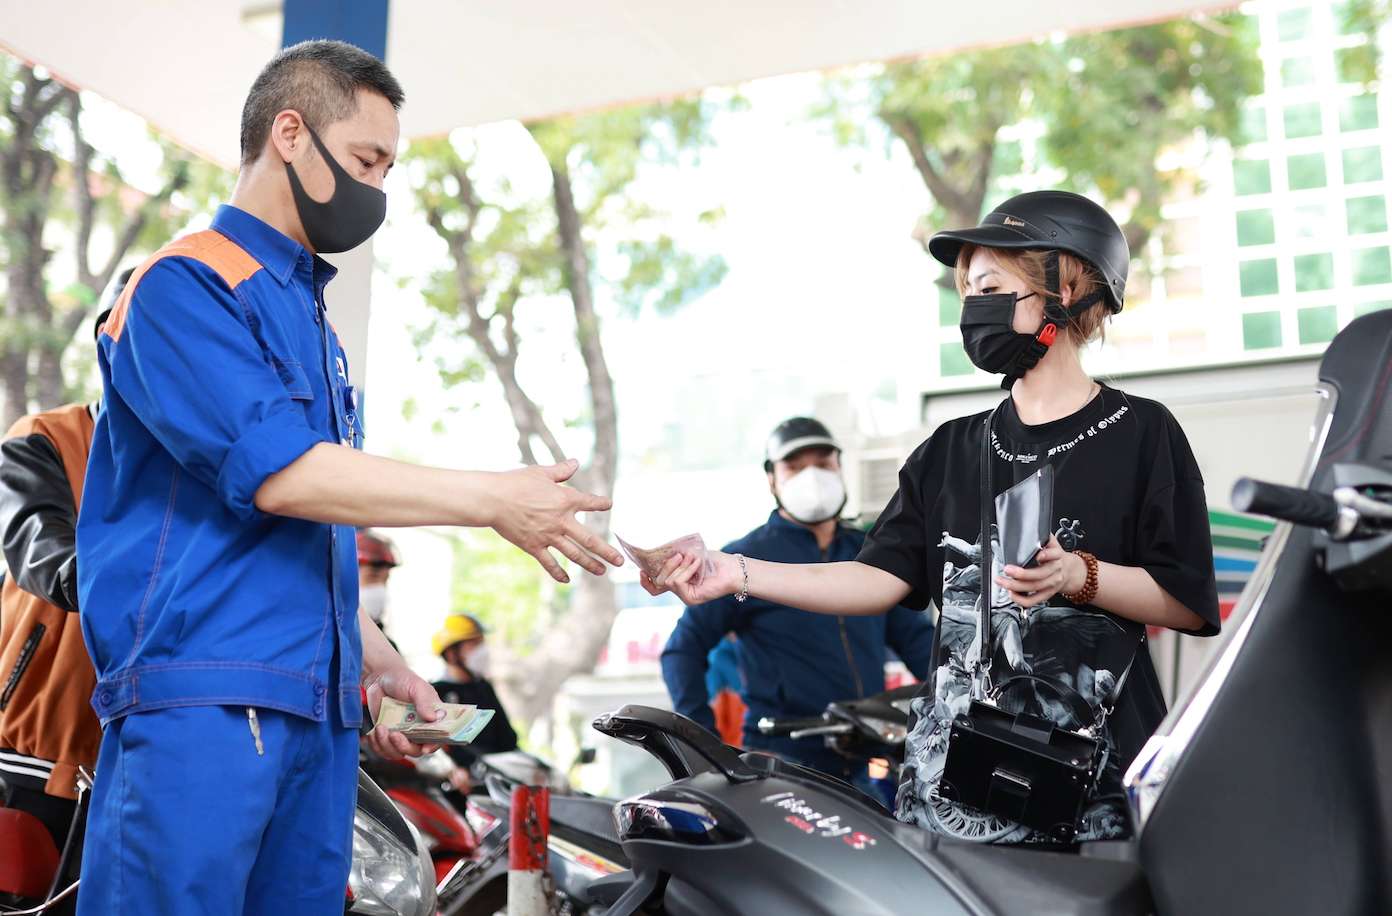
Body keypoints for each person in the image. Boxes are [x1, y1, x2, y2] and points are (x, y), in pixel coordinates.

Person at [74, 41, 622, 916]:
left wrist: (380, 659)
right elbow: (285, 477)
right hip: (207, 705)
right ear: (290, 133)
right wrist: (492, 500)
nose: (378, 189)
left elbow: (306, 525)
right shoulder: (184, 284)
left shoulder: (307, 312)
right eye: (368, 160)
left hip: (315, 718)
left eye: (389, 168)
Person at [646, 190, 1219, 846]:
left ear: (1067, 282)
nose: (975, 308)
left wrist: (1078, 576)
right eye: (968, 291)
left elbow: (1186, 600)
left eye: (991, 286)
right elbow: (871, 581)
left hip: (1095, 790)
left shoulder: (1141, 432)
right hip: (948, 788)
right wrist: (731, 570)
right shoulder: (949, 450)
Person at [661, 417, 935, 787]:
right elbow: (682, 650)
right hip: (781, 760)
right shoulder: (744, 560)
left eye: (823, 464)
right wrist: (706, 748)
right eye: (795, 466)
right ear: (772, 478)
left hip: (865, 757)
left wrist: (958, 703)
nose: (813, 476)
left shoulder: (870, 555)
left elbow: (918, 643)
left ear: (840, 467)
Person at [0, 275, 128, 914]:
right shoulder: (45, 439)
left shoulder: (193, 471)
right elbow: (36, 547)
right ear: (108, 337)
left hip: (134, 769)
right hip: (28, 756)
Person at [430, 613, 519, 762]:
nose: (483, 651)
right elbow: (439, 750)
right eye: (475, 644)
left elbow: (507, 738)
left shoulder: (483, 687)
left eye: (482, 643)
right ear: (452, 653)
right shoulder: (436, 693)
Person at [356, 529, 398, 627]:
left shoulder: (384, 640)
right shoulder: (326, 637)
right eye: (373, 576)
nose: (379, 587)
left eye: (385, 580)